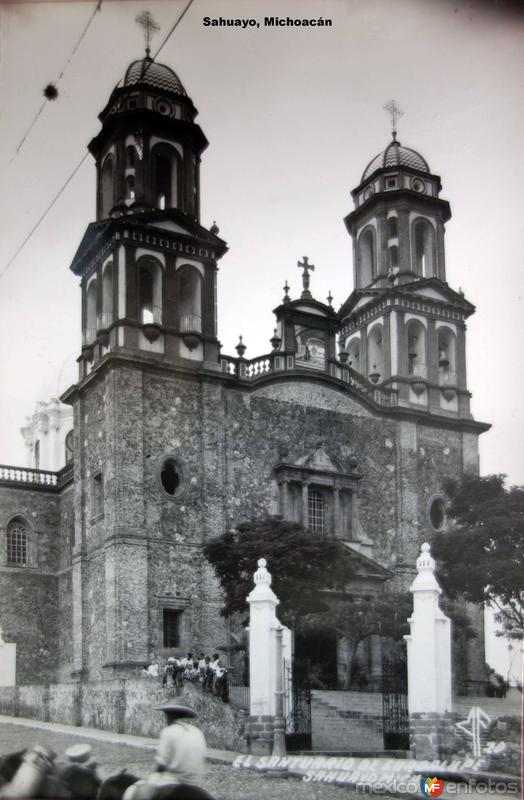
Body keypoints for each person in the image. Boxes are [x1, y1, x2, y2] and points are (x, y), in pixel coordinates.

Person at [122, 703, 207, 800]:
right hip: (194, 781)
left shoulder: (169, 731)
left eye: (166, 715)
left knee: (132, 792)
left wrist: (150, 777)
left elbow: (162, 765)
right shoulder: (197, 732)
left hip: (173, 781)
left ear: (170, 716)